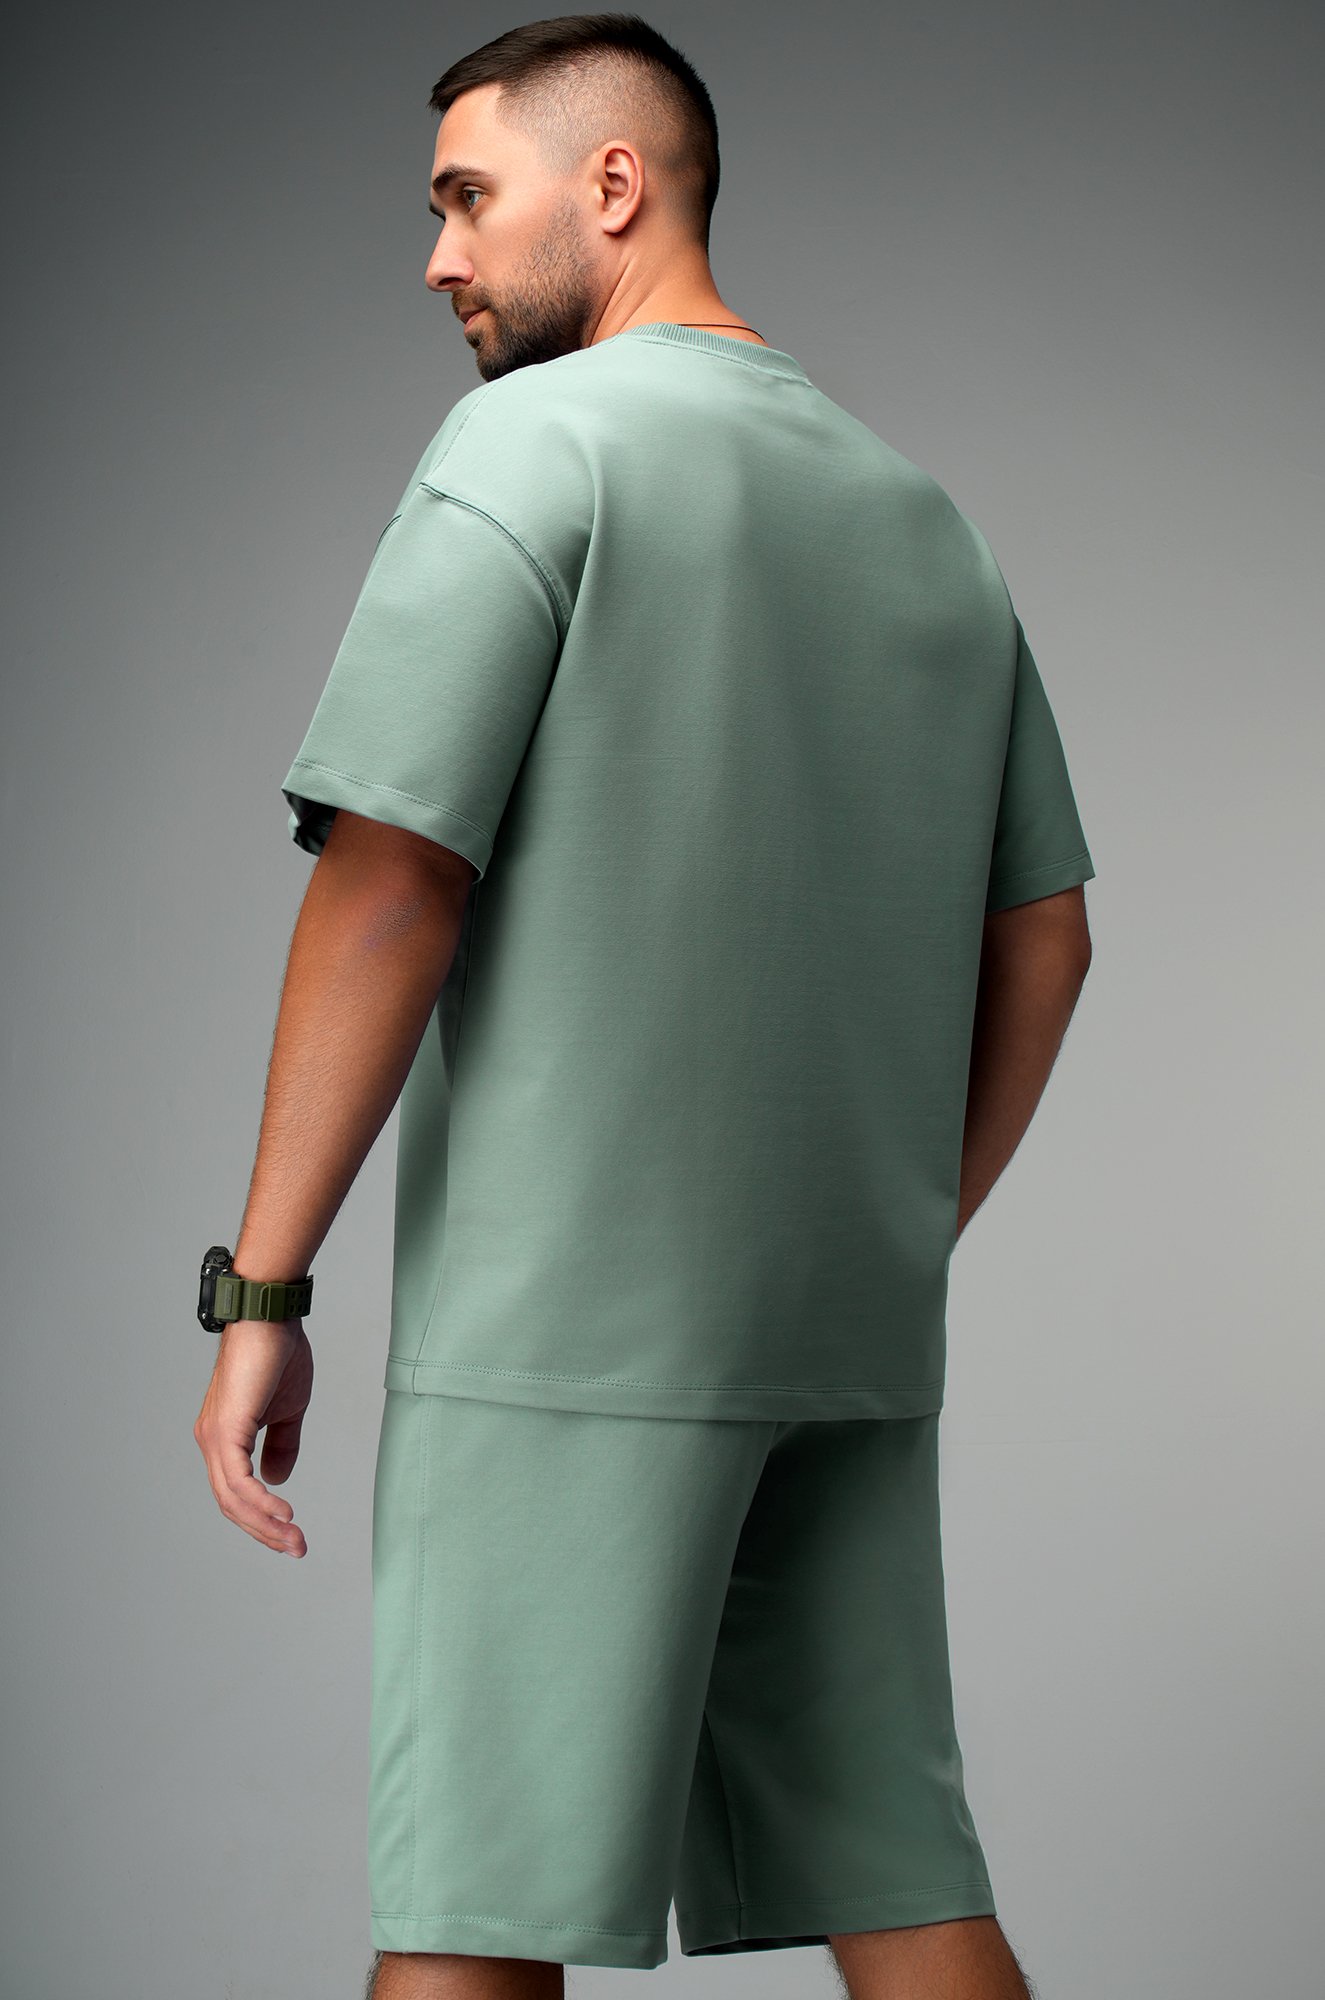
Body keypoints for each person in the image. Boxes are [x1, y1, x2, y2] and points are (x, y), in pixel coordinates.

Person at [192, 14, 1095, 2000]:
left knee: (474, 1911)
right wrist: (895, 1225)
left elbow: (392, 881)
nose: (437, 256)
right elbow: (1047, 932)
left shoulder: (535, 447)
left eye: (465, 197)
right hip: (839, 1331)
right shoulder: (916, 510)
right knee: (900, 1874)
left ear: (614, 185)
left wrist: (261, 1290)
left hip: (564, 1335)